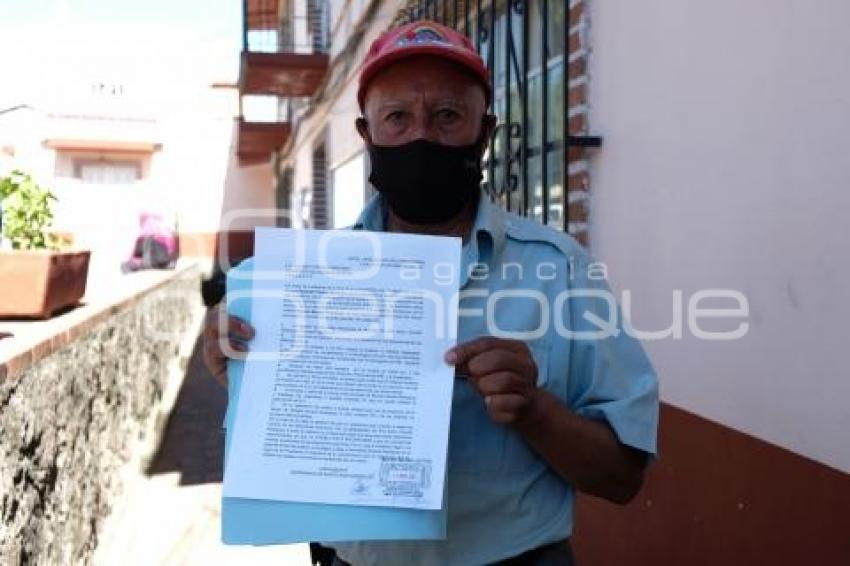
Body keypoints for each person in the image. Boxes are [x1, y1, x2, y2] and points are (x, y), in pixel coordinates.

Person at [203, 20, 659, 566]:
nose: (421, 136)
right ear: (367, 135)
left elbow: (622, 478)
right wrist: (242, 370)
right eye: (397, 117)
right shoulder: (303, 283)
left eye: (447, 116)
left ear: (484, 134)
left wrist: (534, 410)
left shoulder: (559, 271)